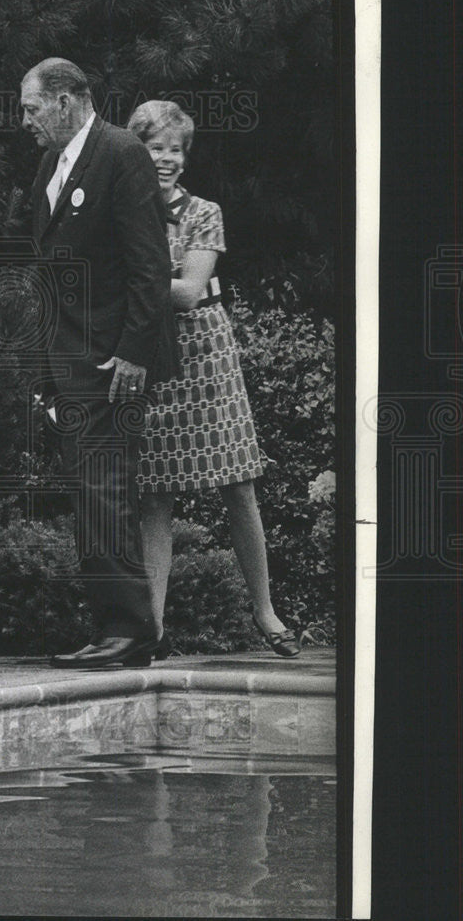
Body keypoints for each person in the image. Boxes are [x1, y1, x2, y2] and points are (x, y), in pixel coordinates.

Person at [128, 100, 299, 658]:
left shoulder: (204, 211)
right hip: (149, 352)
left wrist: (125, 279)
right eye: (156, 147)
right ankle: (150, 629)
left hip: (204, 346)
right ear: (137, 151)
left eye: (176, 149)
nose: (167, 159)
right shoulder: (124, 210)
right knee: (154, 495)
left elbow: (188, 291)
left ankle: (266, 612)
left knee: (238, 484)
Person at [20, 58, 175, 669]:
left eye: (32, 108)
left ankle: (131, 627)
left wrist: (136, 353)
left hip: (112, 356)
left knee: (106, 486)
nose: (25, 121)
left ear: (65, 101)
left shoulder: (121, 152)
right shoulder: (52, 163)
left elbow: (149, 263)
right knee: (90, 489)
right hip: (70, 355)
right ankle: (118, 624)